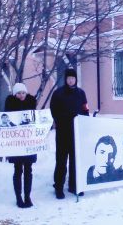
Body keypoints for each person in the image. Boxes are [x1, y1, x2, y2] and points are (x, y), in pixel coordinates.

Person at [50, 68, 89, 199]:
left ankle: (74, 185)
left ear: (76, 79)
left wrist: (85, 122)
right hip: (62, 132)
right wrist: (60, 120)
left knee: (75, 160)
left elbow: (85, 108)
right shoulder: (58, 93)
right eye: (68, 78)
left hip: (76, 132)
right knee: (61, 160)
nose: (71, 80)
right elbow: (53, 110)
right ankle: (59, 187)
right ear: (66, 79)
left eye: (73, 78)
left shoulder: (81, 93)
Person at [4, 83, 37, 208]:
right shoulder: (10, 105)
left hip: (29, 142)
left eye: (23, 92)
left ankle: (27, 197)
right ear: (15, 94)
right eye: (18, 93)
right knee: (18, 170)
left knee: (28, 170)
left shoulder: (31, 103)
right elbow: (5, 122)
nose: (21, 95)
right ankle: (18, 197)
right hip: (16, 145)